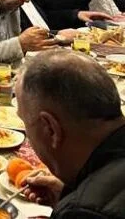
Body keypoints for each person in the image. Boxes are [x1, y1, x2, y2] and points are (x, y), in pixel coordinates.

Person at [16, 49, 125, 218]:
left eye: (25, 123)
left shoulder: (86, 211)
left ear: (50, 129)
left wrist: (75, 206)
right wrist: (70, 195)